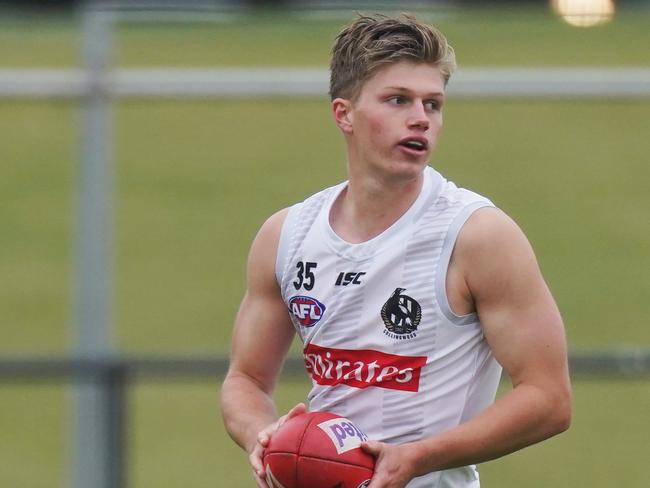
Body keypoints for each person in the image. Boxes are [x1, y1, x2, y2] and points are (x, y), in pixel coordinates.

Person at [221, 13, 571, 488]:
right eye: (398, 100)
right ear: (343, 114)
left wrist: (417, 458)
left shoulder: (477, 235)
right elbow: (245, 381)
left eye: (433, 104)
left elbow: (549, 400)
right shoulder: (286, 235)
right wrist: (264, 436)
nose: (420, 118)